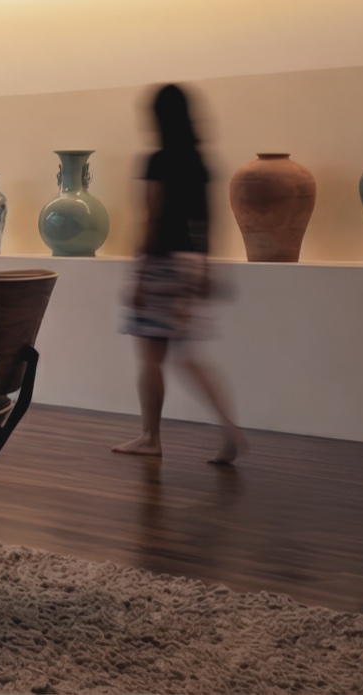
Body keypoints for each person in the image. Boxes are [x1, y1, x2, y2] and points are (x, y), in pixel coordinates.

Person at [113, 83, 247, 465]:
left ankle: (150, 437)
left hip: (160, 263)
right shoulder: (200, 161)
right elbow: (209, 219)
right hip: (190, 263)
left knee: (151, 357)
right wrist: (205, 266)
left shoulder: (157, 160)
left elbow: (152, 217)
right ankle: (230, 427)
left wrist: (139, 276)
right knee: (187, 354)